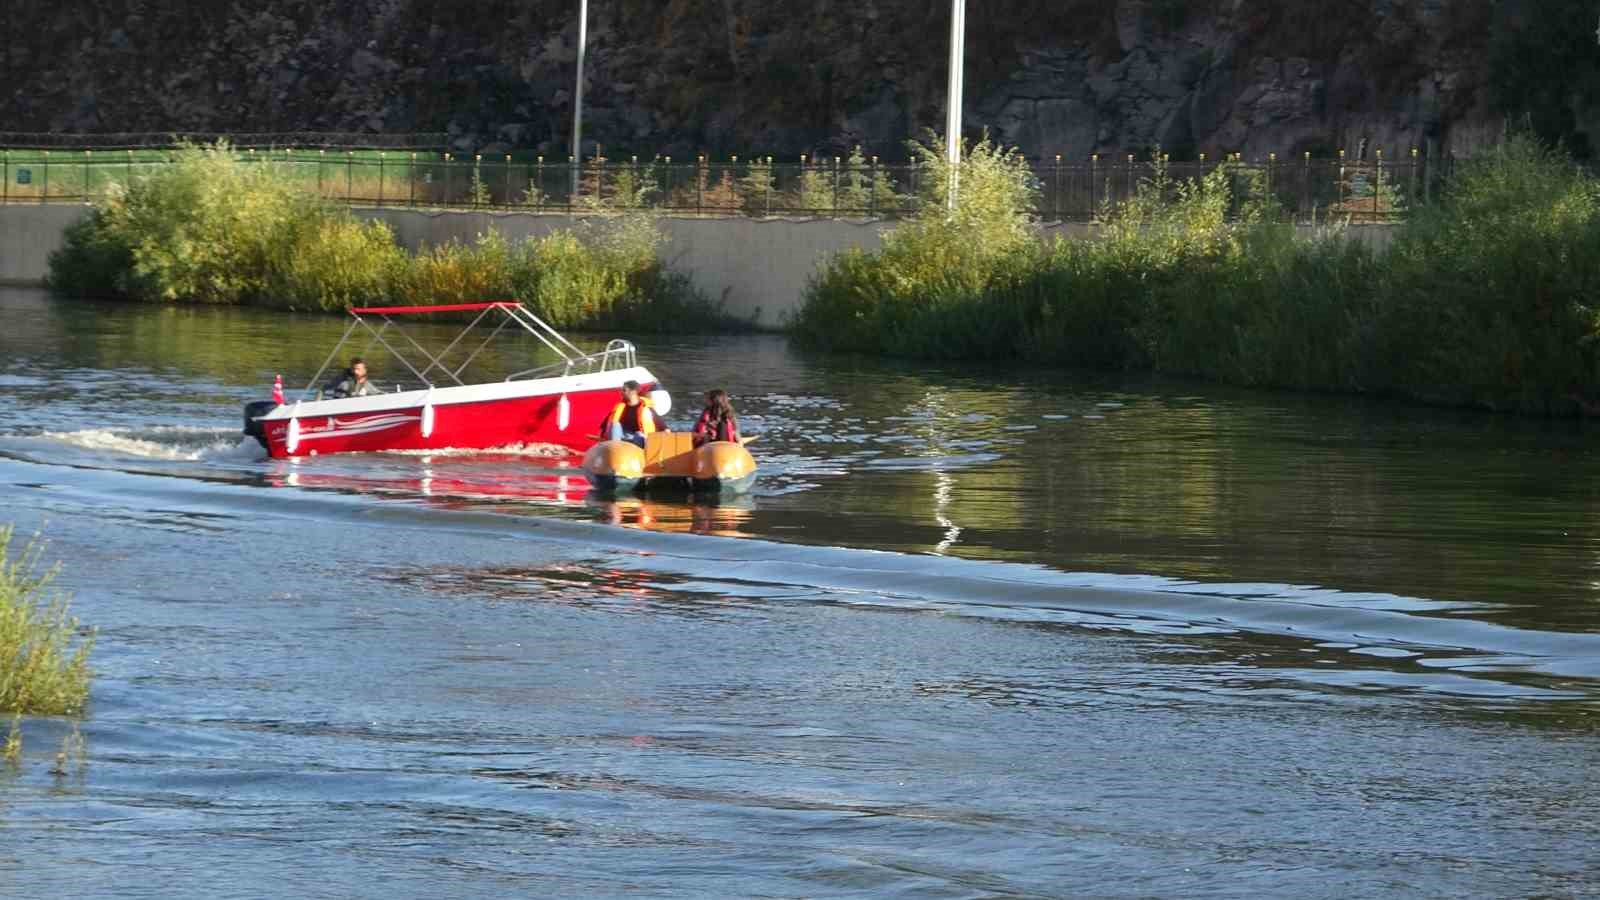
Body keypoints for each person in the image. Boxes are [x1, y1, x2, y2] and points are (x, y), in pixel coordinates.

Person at [600, 380, 666, 448]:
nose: (621, 392)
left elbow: (660, 423)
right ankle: (614, 449)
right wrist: (602, 433)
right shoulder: (620, 406)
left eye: (624, 390)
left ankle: (635, 453)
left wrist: (666, 431)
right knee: (615, 425)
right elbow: (606, 422)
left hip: (637, 438)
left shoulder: (646, 408)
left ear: (633, 392)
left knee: (639, 435)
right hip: (622, 436)